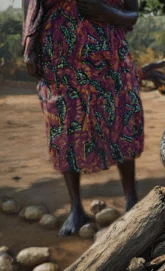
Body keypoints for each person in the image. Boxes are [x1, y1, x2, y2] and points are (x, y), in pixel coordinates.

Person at [22, 0, 144, 236]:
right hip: (58, 59)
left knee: (122, 117)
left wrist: (107, 11)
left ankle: (131, 200)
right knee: (64, 126)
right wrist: (28, 44)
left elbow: (132, 14)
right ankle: (76, 208)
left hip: (110, 56)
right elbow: (30, 4)